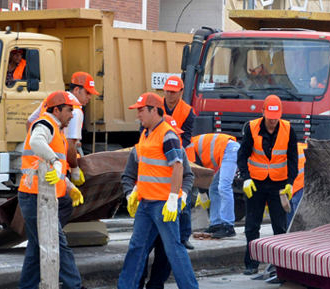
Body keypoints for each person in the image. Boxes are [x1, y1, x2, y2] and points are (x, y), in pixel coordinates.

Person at [117, 93, 199, 289]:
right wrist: (135, 191)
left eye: (141, 110)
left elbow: (178, 167)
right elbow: (147, 168)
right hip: (147, 203)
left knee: (173, 249)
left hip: (162, 204)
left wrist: (173, 199)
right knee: (137, 248)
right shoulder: (146, 134)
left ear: (154, 110)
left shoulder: (167, 134)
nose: (138, 115)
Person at [17, 90, 86, 289]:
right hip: (35, 196)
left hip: (40, 196)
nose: (72, 115)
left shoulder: (56, 130)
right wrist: (55, 161)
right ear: (56, 110)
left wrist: (69, 187)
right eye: (69, 110)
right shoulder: (45, 123)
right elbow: (36, 143)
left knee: (37, 245)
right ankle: (74, 286)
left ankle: (27, 286)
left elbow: (56, 168)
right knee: (56, 242)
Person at [25, 71, 99, 227]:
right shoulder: (75, 110)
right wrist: (75, 168)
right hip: (57, 167)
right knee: (62, 203)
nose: (90, 97)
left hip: (37, 167)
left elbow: (29, 123)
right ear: (77, 90)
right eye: (87, 92)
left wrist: (39, 151)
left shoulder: (50, 100)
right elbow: (71, 145)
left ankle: (50, 234)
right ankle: (54, 233)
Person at [237, 94, 298, 275]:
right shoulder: (252, 128)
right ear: (263, 112)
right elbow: (242, 155)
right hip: (255, 183)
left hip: (278, 185)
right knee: (252, 225)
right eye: (269, 118)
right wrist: (245, 177)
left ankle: (280, 266)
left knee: (279, 226)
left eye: (275, 118)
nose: (272, 121)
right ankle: (251, 264)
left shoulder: (288, 129)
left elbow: (292, 158)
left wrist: (290, 182)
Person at [161, 75, 196, 250]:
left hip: (181, 156)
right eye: (167, 90)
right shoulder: (156, 107)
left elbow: (187, 137)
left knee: (183, 198)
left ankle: (184, 236)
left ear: (181, 92)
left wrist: (173, 152)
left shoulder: (188, 111)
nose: (169, 94)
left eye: (173, 92)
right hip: (159, 155)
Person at [187, 133, 240, 238]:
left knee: (224, 187)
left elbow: (199, 172)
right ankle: (216, 223)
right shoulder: (189, 145)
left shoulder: (188, 149)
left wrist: (202, 193)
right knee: (214, 188)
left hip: (230, 150)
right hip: (227, 150)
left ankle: (228, 226)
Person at [287, 142, 307, 228]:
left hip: (298, 185)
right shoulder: (300, 147)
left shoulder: (285, 151)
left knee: (294, 214)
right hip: (301, 184)